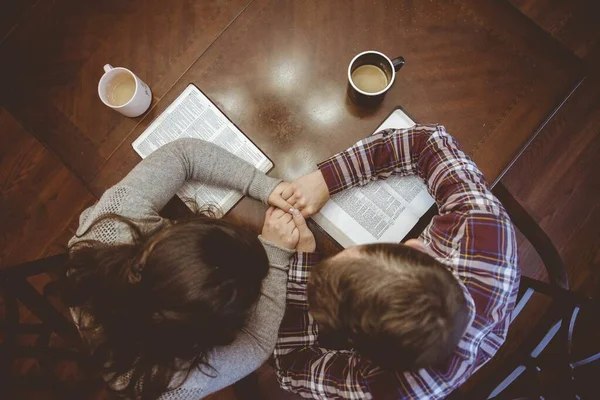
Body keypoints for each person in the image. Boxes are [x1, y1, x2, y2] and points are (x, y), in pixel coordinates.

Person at [273, 125, 519, 399]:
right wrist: (328, 178)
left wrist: (303, 262)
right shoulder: (481, 224)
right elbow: (427, 141)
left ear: (357, 353)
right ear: (417, 248)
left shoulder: (385, 388)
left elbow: (292, 366)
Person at [60, 138, 299, 399]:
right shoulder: (178, 379)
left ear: (160, 242)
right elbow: (257, 342)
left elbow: (183, 154)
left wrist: (264, 186)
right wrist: (275, 252)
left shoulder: (110, 226)